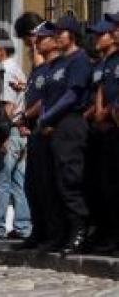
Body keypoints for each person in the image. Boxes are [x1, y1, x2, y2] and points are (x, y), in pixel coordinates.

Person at [36, 15, 92, 255]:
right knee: (53, 182)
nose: (57, 36)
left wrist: (48, 118)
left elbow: (72, 95)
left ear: (73, 35)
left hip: (70, 123)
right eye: (55, 33)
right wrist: (44, 119)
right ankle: (59, 233)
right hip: (52, 127)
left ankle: (80, 232)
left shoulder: (79, 60)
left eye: (61, 32)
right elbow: (47, 97)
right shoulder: (56, 64)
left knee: (70, 180)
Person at [19, 21, 60, 250]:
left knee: (47, 185)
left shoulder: (53, 69)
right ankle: (38, 230)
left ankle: (52, 233)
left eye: (41, 38)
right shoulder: (38, 70)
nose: (36, 42)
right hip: (34, 131)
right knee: (31, 185)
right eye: (35, 38)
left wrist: (26, 115)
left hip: (47, 130)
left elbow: (44, 101)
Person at [0, 32, 31, 240]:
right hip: (21, 131)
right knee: (18, 181)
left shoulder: (7, 70)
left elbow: (8, 106)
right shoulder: (19, 69)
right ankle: (23, 226)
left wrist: (2, 135)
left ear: (2, 50)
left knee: (1, 180)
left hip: (11, 131)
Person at [83, 16, 119, 253]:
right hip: (101, 129)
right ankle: (105, 234)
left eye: (102, 33)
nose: (97, 38)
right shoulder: (103, 63)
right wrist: (97, 113)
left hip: (112, 126)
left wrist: (105, 112)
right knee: (102, 187)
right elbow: (101, 90)